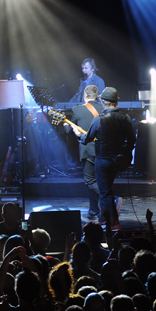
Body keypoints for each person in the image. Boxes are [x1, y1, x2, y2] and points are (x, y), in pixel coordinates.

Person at [81, 87, 135, 231]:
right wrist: (125, 154)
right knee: (107, 189)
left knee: (105, 192)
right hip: (118, 161)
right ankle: (104, 218)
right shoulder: (125, 118)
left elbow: (87, 139)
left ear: (103, 101)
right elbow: (132, 140)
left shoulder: (98, 119)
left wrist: (78, 134)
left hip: (103, 160)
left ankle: (114, 223)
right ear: (116, 102)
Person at [70, 85, 103, 220]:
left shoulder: (77, 110)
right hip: (103, 150)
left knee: (90, 181)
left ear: (85, 96)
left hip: (88, 150)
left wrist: (70, 128)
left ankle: (111, 198)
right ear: (96, 96)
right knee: (98, 180)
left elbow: (68, 130)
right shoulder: (103, 109)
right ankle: (94, 210)